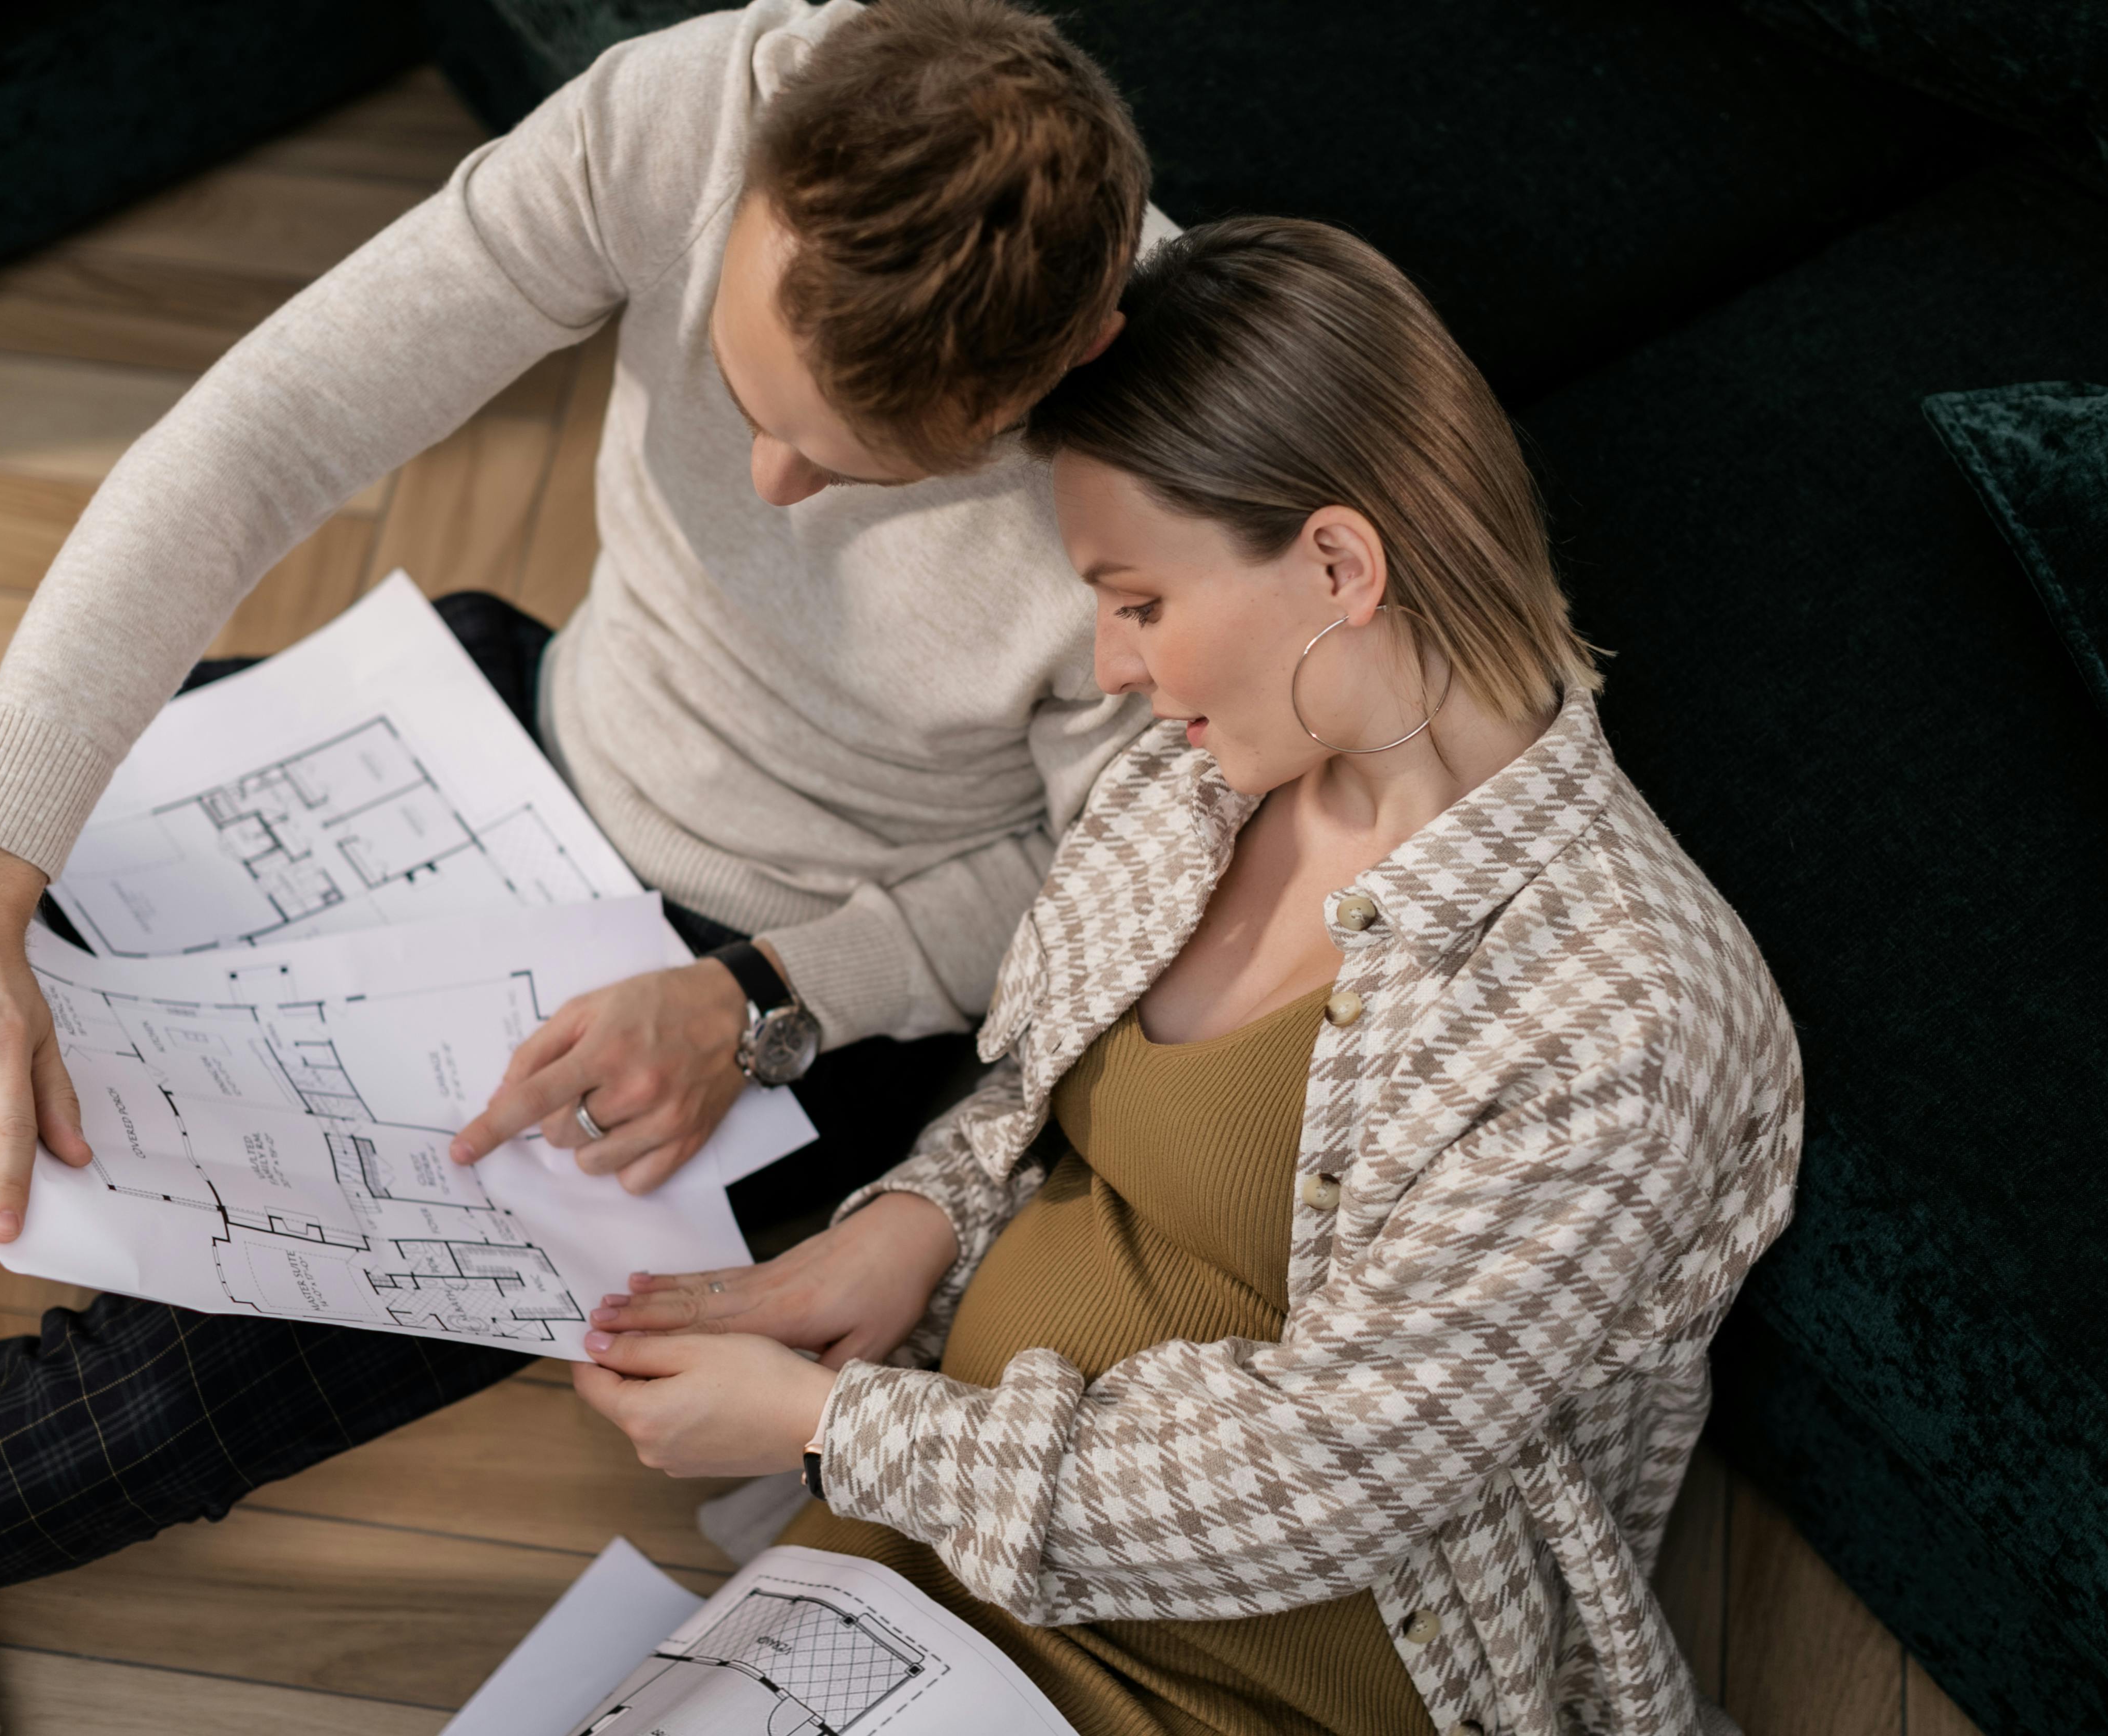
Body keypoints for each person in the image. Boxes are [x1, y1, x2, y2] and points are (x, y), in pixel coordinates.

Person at [0, 2, 1171, 1728]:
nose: (769, 490)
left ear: (1059, 370)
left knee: (160, 1398)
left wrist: (770, 993)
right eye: (748, 400)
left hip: (767, 1002)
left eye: (852, 469)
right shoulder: (701, 106)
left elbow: (1109, 888)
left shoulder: (1174, 465)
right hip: (502, 744)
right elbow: (270, 429)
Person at [569, 218, 1805, 1736]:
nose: (1110, 669)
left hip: (1259, 1660)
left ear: (1339, 565)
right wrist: (915, 1221)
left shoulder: (1626, 1014)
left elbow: (1326, 1479)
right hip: (951, 1514)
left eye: (1138, 600)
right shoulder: (1199, 786)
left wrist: (837, 1427)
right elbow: (1031, 1093)